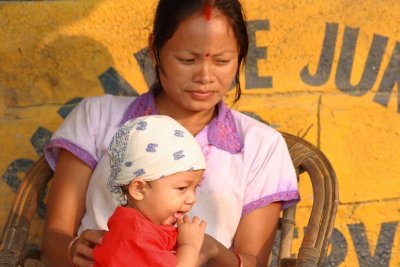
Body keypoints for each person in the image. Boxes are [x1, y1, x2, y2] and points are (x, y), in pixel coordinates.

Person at [41, 0, 300, 266]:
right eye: (187, 59)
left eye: (222, 61)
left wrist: (211, 250)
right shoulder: (97, 117)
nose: (205, 76)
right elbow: (52, 239)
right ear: (155, 50)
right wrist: (75, 251)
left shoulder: (260, 145)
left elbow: (253, 261)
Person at [92, 115, 207, 267]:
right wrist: (189, 246)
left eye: (195, 187)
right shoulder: (136, 235)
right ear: (138, 189)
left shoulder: (144, 227)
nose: (192, 199)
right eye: (182, 188)